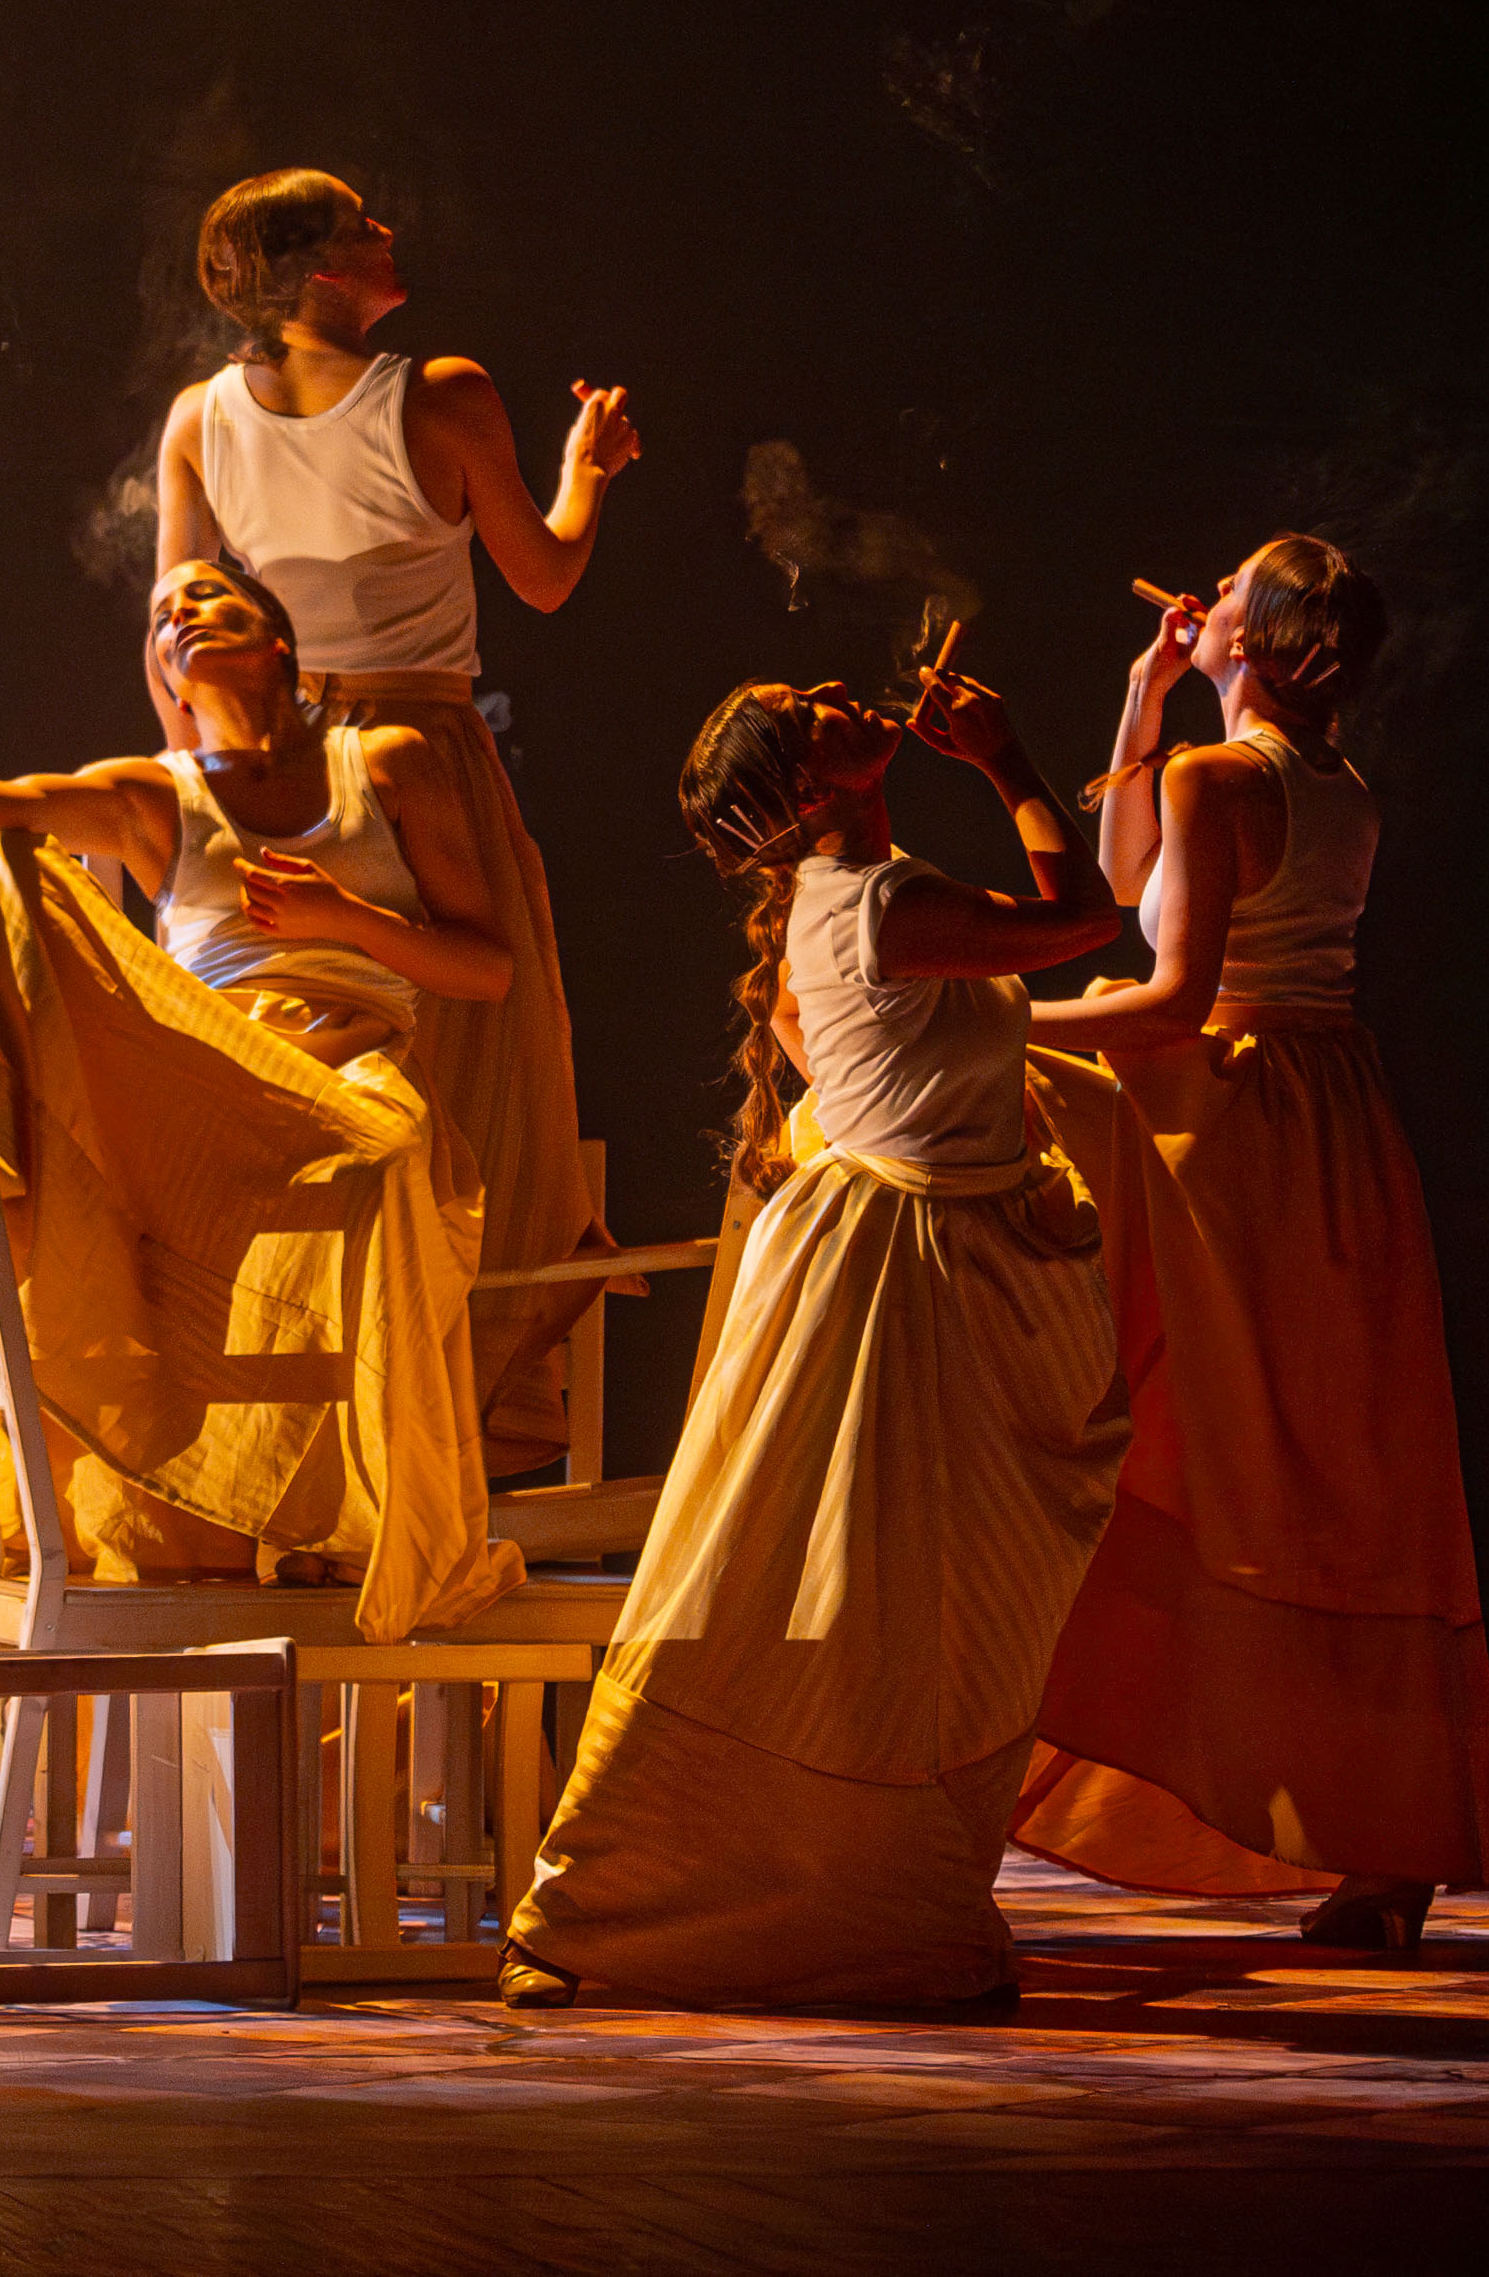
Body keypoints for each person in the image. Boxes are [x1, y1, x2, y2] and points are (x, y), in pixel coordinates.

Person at [502, 667, 1128, 2010]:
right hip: (896, 1283)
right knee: (871, 1604)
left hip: (911, 1255)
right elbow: (1084, 920)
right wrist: (1006, 758)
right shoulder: (884, 901)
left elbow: (808, 1028)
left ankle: (856, 1902)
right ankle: (688, 1897)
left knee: (893, 1607)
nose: (846, 690)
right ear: (808, 785)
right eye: (812, 708)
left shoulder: (836, 901)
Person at [0, 555, 524, 1643]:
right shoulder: (157, 792)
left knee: (384, 1156)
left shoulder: (385, 761)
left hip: (349, 1060)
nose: (179, 615)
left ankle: (372, 1517)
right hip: (210, 1075)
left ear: (276, 639)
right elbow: (20, 803)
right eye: (160, 615)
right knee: (12, 869)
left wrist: (344, 919)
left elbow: (488, 968)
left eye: (205, 596)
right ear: (163, 674)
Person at [1012, 538, 1489, 1947]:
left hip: (1233, 1115)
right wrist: (1142, 698)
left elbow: (1170, 993)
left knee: (1216, 1454)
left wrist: (985, 1019)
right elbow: (1128, 880)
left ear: (1253, 635)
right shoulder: (1329, 784)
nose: (1205, 592)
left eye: (1228, 586)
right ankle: (1384, 1843)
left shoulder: (1219, 777)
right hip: (1334, 1119)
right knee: (1333, 1479)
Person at [151, 170, 642, 1466]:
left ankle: (324, 1414)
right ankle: (447, 1408)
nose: (388, 234)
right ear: (321, 270)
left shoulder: (198, 418)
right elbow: (543, 576)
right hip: (420, 755)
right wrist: (586, 471)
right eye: (363, 225)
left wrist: (202, 803)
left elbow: (168, 640)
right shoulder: (440, 394)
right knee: (480, 1068)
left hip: (282, 767)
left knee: (330, 1066)